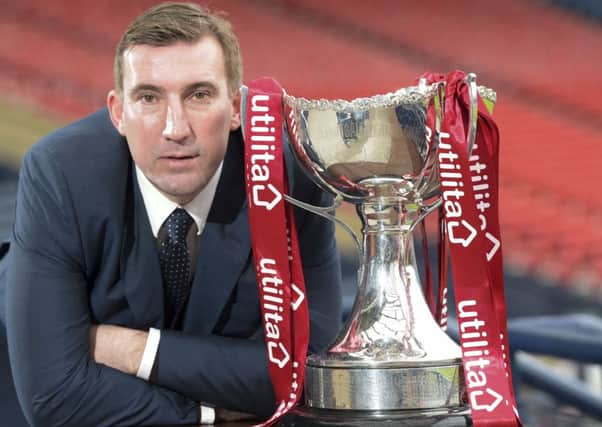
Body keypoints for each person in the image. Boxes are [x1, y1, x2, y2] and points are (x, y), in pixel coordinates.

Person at [0, 3, 342, 426]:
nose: (175, 128)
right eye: (148, 98)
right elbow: (53, 398)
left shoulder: (292, 173)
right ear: (117, 112)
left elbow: (314, 375)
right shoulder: (60, 175)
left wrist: (135, 351)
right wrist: (209, 415)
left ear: (236, 107)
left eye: (199, 95)